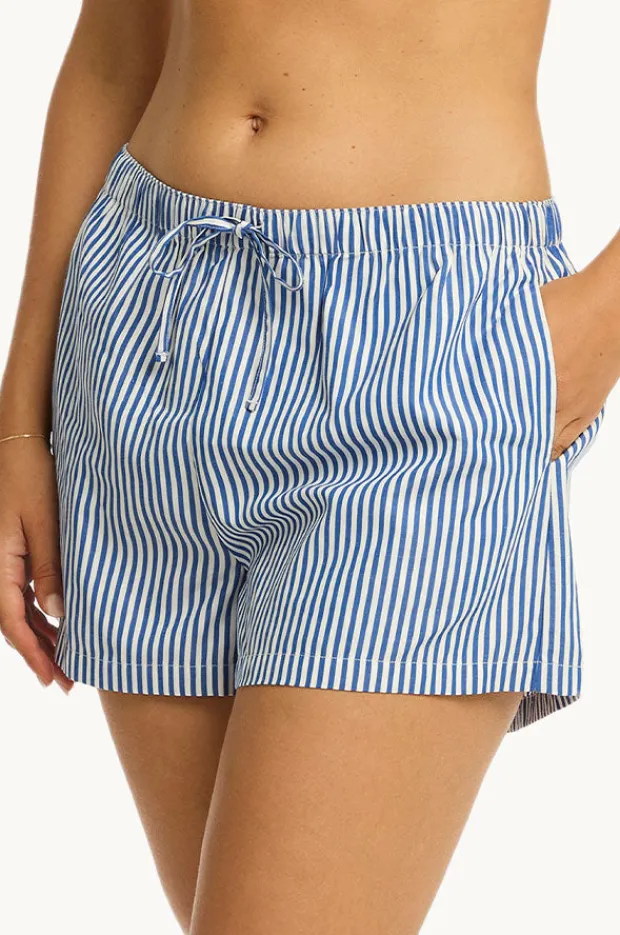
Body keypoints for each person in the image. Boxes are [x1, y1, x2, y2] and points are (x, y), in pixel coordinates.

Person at [0, 1, 617, 932]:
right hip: (145, 323)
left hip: (426, 352)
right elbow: (118, 46)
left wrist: (599, 326)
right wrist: (20, 423)